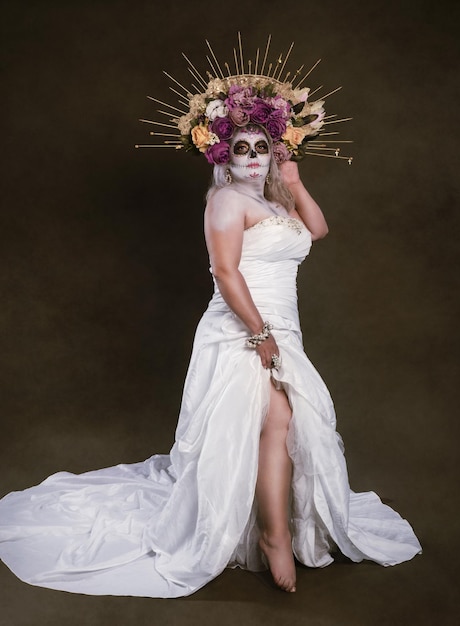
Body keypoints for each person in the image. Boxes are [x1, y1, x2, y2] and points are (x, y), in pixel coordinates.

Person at [0, 46, 422, 598]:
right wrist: (261, 335)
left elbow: (316, 231)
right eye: (242, 149)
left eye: (262, 149)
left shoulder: (275, 203)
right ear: (225, 154)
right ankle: (272, 538)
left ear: (275, 153)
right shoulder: (225, 202)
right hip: (243, 327)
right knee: (275, 422)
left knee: (282, 427)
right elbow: (225, 272)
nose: (252, 158)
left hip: (282, 329)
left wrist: (293, 179)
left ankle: (270, 530)